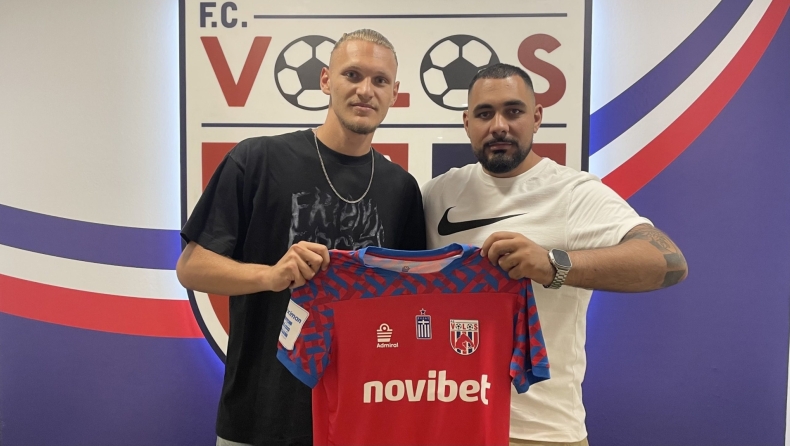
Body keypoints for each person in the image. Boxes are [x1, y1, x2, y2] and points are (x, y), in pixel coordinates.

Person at [176, 29, 426, 446]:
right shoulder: (258, 158)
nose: (366, 90)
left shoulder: (401, 188)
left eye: (380, 80)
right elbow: (191, 267)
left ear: (394, 94)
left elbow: (412, 303)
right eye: (352, 75)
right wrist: (270, 276)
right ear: (326, 80)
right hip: (260, 419)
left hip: (361, 420)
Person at [421, 63, 688, 446]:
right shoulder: (437, 194)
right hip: (451, 426)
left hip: (542, 433)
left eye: (513, 111)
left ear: (536, 117)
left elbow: (668, 262)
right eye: (484, 113)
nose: (499, 125)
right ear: (467, 122)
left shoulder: (572, 193)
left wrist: (552, 265)